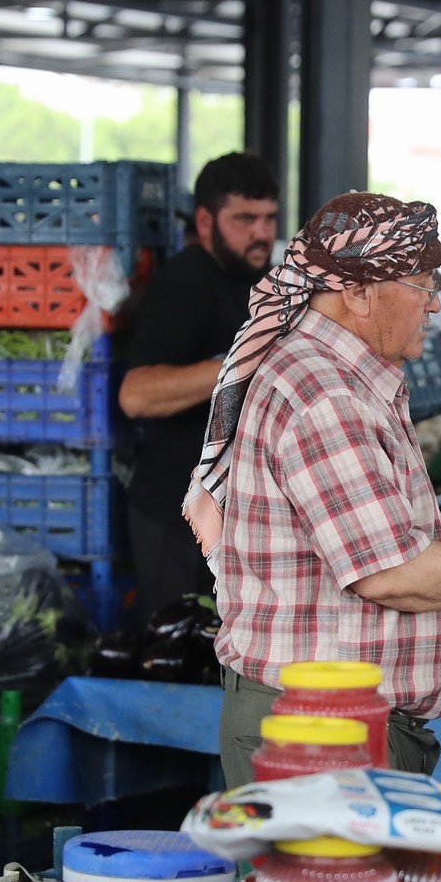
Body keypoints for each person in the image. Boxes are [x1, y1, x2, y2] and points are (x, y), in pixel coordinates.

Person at [184, 192, 441, 784]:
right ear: (358, 291)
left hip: (340, 729)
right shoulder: (326, 394)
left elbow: (382, 543)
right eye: (423, 286)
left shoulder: (348, 379)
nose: (434, 306)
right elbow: (389, 572)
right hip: (319, 737)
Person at [118, 152, 282, 625]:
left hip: (231, 511)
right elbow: (136, 394)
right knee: (180, 651)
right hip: (174, 512)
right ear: (206, 220)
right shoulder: (184, 282)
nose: (261, 232)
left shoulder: (259, 282)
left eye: (269, 218)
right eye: (245, 219)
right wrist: (239, 362)